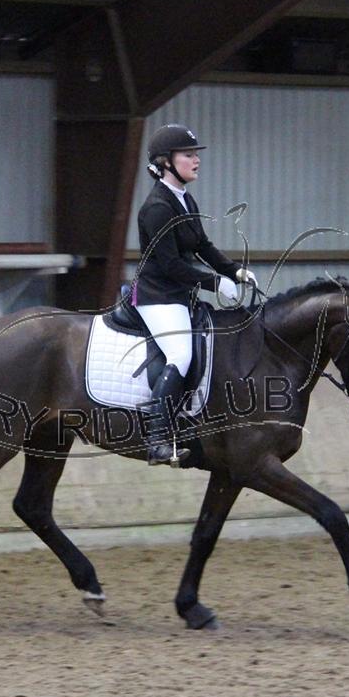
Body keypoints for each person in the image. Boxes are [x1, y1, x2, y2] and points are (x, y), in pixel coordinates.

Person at [133, 123, 257, 466]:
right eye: (188, 155)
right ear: (166, 161)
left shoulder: (183, 198)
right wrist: (215, 284)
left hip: (179, 294)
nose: (196, 160)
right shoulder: (157, 207)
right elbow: (170, 264)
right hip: (157, 296)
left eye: (195, 155)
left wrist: (233, 270)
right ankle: (158, 441)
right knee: (181, 355)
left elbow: (201, 245)